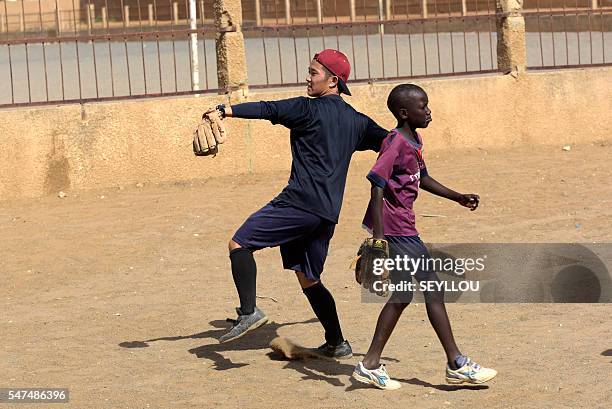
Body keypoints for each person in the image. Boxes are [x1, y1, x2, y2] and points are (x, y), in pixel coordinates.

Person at [209, 49, 388, 360]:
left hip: (298, 205)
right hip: (326, 215)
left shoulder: (307, 109)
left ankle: (249, 312)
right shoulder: (357, 121)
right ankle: (337, 342)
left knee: (238, 243)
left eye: (313, 73)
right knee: (309, 278)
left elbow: (267, 108)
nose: (307, 77)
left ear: (333, 81)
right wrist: (415, 157)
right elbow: (390, 144)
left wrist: (225, 110)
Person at [352, 84, 497, 389]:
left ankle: (370, 363)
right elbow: (376, 183)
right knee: (433, 288)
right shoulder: (394, 142)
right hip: (396, 229)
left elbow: (423, 177)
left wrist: (457, 196)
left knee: (403, 295)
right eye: (424, 106)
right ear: (404, 113)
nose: (429, 111)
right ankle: (456, 362)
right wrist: (379, 239)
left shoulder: (414, 139)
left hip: (403, 226)